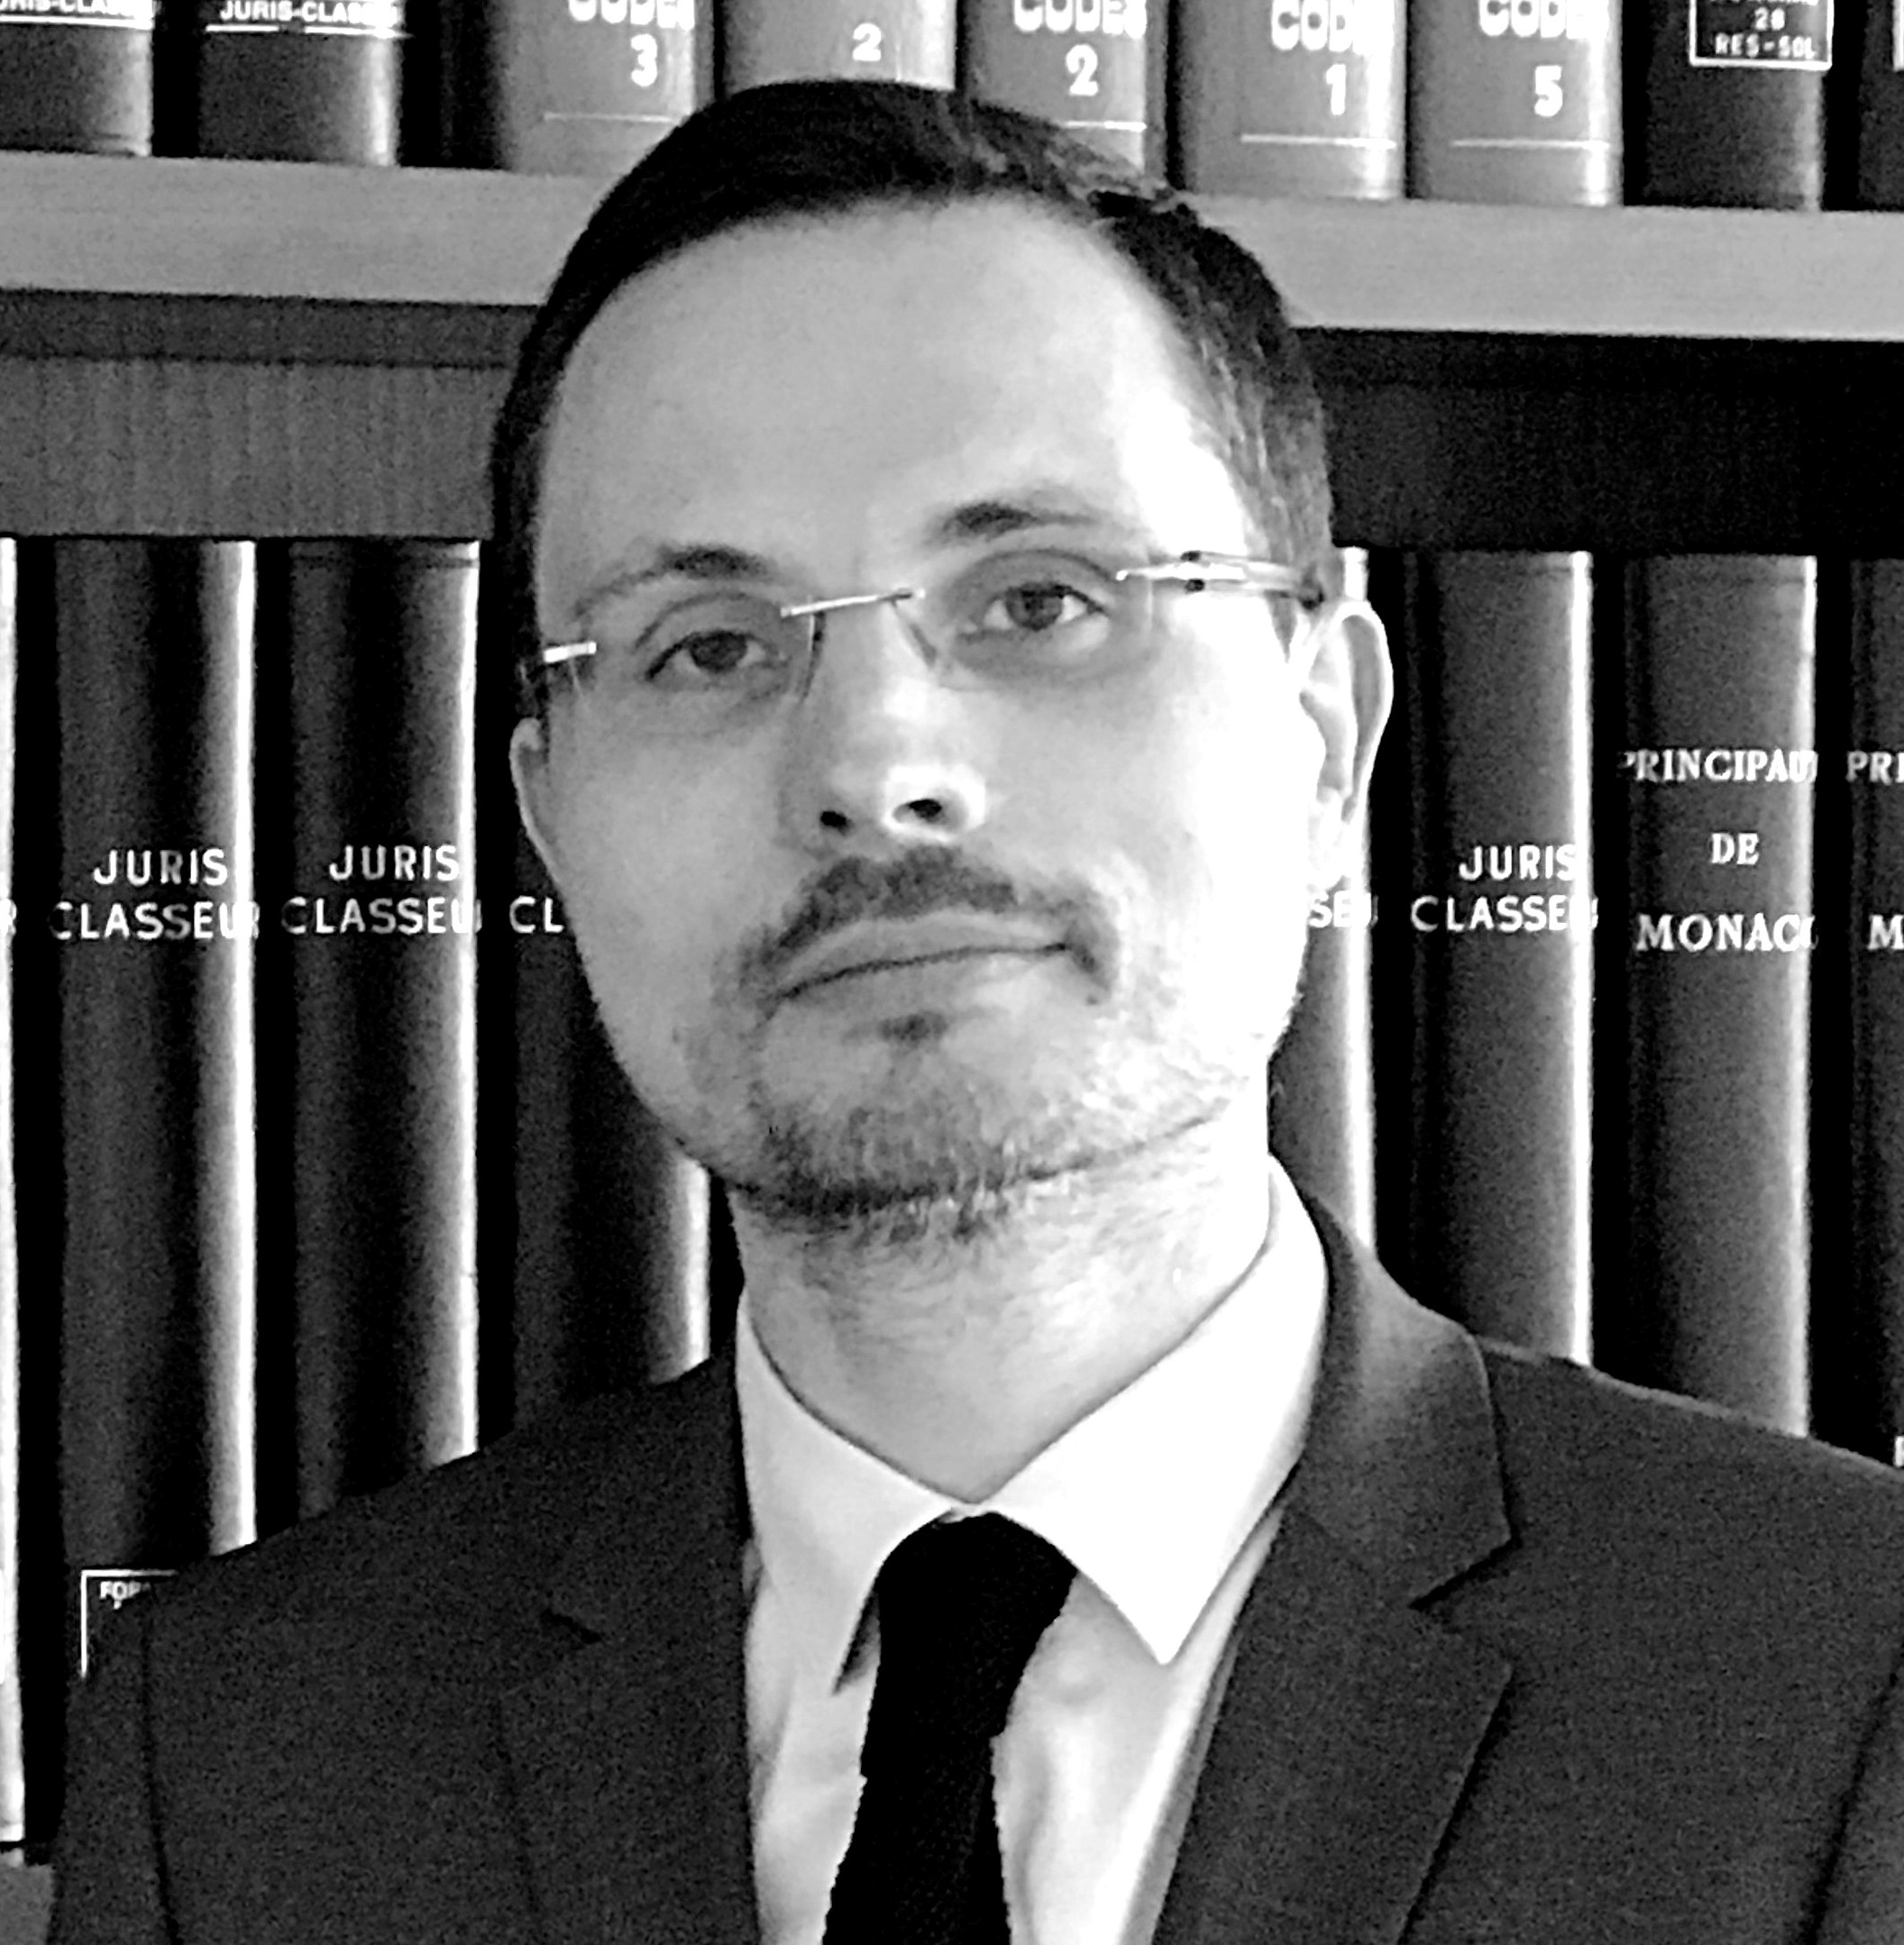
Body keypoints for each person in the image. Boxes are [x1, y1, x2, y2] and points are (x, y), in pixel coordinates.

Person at [50, 78, 1904, 1945]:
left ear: (1324, 737)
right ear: (550, 821)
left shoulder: (1845, 1685)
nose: (876, 768)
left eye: (1039, 600)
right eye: (709, 645)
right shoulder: (239, 1756)